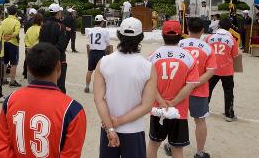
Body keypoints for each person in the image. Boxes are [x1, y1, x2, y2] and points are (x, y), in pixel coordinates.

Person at [0, 42, 87, 157]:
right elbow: (71, 154)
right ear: (58, 67)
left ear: (28, 68)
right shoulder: (73, 110)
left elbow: (2, 147)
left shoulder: (10, 101)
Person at [94, 17, 157, 158]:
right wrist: (119, 121)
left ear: (119, 35)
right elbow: (147, 106)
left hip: (108, 129)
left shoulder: (104, 62)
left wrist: (111, 126)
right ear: (141, 37)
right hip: (134, 130)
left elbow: (98, 99)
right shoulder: (148, 67)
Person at [164, 18, 217, 158]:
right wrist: (194, 83)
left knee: (175, 118)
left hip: (178, 89)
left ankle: (171, 145)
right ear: (202, 31)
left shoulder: (178, 43)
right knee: (200, 120)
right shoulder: (207, 48)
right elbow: (210, 71)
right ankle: (200, 152)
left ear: (187, 30)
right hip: (199, 91)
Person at [147, 20, 199, 158]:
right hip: (179, 111)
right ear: (180, 35)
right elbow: (190, 85)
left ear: (163, 35)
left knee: (153, 144)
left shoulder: (153, 56)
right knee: (177, 149)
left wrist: (162, 101)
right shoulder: (189, 58)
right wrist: (174, 102)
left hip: (158, 109)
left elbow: (149, 84)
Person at [206, 18, 239, 122]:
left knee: (208, 89)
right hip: (227, 69)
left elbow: (206, 52)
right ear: (229, 27)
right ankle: (229, 114)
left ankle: (204, 110)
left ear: (219, 26)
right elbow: (235, 55)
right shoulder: (232, 39)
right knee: (228, 91)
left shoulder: (209, 38)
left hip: (212, 69)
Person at [39, 3, 69, 93]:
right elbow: (62, 45)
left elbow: (40, 43)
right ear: (58, 13)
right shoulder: (60, 26)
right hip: (58, 59)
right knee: (60, 85)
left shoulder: (43, 25)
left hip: (45, 58)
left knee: (46, 84)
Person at [84, 15, 110, 93]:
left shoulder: (90, 30)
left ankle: (87, 87)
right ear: (102, 22)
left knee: (89, 70)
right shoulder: (105, 31)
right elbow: (108, 44)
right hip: (101, 53)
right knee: (102, 72)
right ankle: (101, 89)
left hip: (92, 52)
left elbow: (89, 42)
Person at [1, 5, 21, 87]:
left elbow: (0, 31)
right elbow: (16, 32)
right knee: (13, 63)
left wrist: (4, 37)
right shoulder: (16, 21)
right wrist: (11, 36)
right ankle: (12, 81)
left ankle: (3, 79)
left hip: (4, 42)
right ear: (16, 13)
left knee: (4, 62)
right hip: (13, 43)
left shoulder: (3, 21)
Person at [24, 13, 43, 82]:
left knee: (30, 66)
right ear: (40, 21)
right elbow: (40, 40)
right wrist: (34, 46)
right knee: (38, 67)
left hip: (29, 49)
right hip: (37, 50)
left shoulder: (29, 29)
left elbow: (25, 39)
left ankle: (30, 82)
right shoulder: (40, 29)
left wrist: (29, 46)